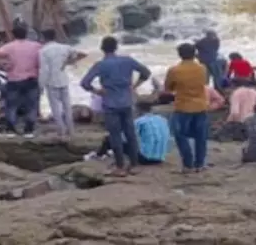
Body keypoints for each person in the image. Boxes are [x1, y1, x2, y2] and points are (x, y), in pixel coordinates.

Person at [80, 36, 152, 177]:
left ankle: (120, 166)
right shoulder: (128, 60)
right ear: (116, 47)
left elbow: (85, 83)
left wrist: (97, 91)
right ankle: (134, 165)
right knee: (130, 134)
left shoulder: (100, 65)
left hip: (110, 103)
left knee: (115, 136)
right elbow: (146, 73)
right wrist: (135, 86)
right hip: (127, 101)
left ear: (102, 49)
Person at [163, 42, 210, 173]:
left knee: (180, 135)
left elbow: (168, 88)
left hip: (183, 106)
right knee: (201, 136)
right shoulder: (202, 68)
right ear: (194, 53)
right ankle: (200, 164)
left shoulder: (174, 70)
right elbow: (205, 82)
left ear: (179, 55)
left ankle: (188, 164)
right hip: (201, 105)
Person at [0, 25, 43, 137]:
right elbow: (44, 57)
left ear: (14, 35)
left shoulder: (9, 47)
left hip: (14, 79)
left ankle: (10, 130)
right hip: (31, 79)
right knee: (32, 105)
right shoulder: (36, 46)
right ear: (26, 34)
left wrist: (4, 66)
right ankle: (29, 130)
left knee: (11, 105)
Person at [38, 29, 87, 138]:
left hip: (51, 81)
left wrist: (41, 85)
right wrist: (68, 62)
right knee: (67, 107)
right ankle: (71, 129)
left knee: (55, 108)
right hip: (63, 79)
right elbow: (79, 54)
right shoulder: (65, 47)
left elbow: (44, 70)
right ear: (55, 36)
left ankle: (61, 130)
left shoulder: (43, 51)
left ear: (44, 38)